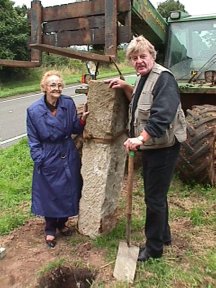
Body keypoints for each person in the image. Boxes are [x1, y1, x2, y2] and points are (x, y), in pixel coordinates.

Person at [106, 36, 187, 262]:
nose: (139, 61)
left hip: (163, 148)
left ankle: (154, 249)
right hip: (153, 147)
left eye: (143, 56)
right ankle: (164, 236)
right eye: (134, 58)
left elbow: (161, 117)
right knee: (157, 196)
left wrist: (140, 139)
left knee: (153, 199)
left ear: (152, 55)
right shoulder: (144, 77)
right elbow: (140, 101)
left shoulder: (164, 79)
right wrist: (125, 86)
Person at [26, 70, 89, 248]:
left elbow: (73, 128)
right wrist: (40, 159)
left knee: (68, 190)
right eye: (53, 85)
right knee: (49, 193)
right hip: (48, 154)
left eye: (60, 85)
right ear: (44, 87)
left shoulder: (68, 104)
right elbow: (33, 139)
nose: (57, 88)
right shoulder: (33, 110)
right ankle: (50, 229)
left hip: (67, 152)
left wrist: (82, 121)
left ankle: (62, 223)